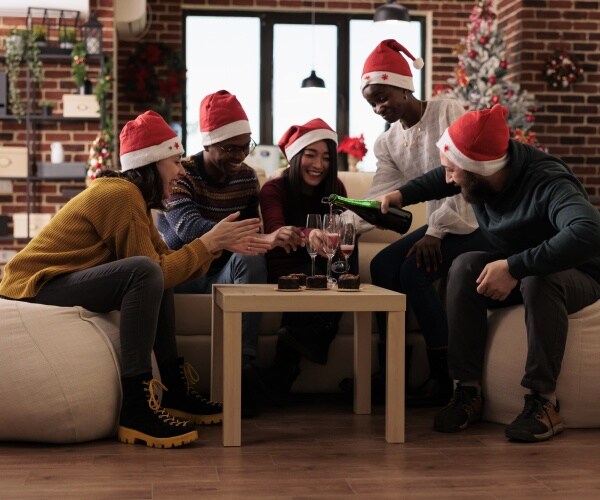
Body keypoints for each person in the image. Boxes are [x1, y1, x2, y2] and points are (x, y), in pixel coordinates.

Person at [0, 110, 270, 449]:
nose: (182, 170)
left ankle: (172, 389)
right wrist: (208, 242)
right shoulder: (120, 195)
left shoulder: (135, 200)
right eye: (175, 161)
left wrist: (212, 244)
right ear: (152, 163)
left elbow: (167, 266)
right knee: (145, 271)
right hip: (33, 285)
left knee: (156, 272)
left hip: (57, 280)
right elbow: (151, 270)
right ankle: (136, 407)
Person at [378, 104, 600, 442]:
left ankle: (543, 401)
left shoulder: (548, 181)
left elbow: (588, 231)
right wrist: (401, 194)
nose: (449, 178)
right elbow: (445, 175)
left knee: (538, 278)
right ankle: (467, 391)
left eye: (454, 172)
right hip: (524, 268)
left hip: (576, 273)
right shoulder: (482, 172)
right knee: (465, 264)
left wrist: (514, 266)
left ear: (478, 170)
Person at [342, 39, 491, 407]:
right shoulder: (387, 142)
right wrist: (338, 226)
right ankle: (392, 371)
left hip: (474, 220)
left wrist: (436, 232)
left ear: (405, 85)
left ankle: (445, 376)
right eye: (371, 102)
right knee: (381, 265)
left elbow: (464, 174)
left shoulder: (446, 110)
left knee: (412, 272)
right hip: (444, 224)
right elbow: (380, 195)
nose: (378, 107)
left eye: (382, 96)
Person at [156, 90, 297, 416]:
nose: (239, 156)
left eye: (244, 146)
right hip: (184, 272)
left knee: (251, 256)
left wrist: (266, 239)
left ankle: (243, 365)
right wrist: (240, 237)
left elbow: (250, 235)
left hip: (224, 272)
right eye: (229, 149)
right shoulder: (182, 174)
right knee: (245, 249)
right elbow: (186, 230)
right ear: (207, 145)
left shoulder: (247, 178)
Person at [258, 118, 356, 399]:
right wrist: (308, 234)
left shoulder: (335, 187)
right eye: (310, 155)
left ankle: (308, 346)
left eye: (326, 157)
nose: (319, 164)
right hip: (285, 266)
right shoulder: (273, 189)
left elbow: (340, 232)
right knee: (310, 274)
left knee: (350, 244)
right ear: (296, 156)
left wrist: (328, 239)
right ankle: (317, 337)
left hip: (323, 265)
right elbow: (276, 230)